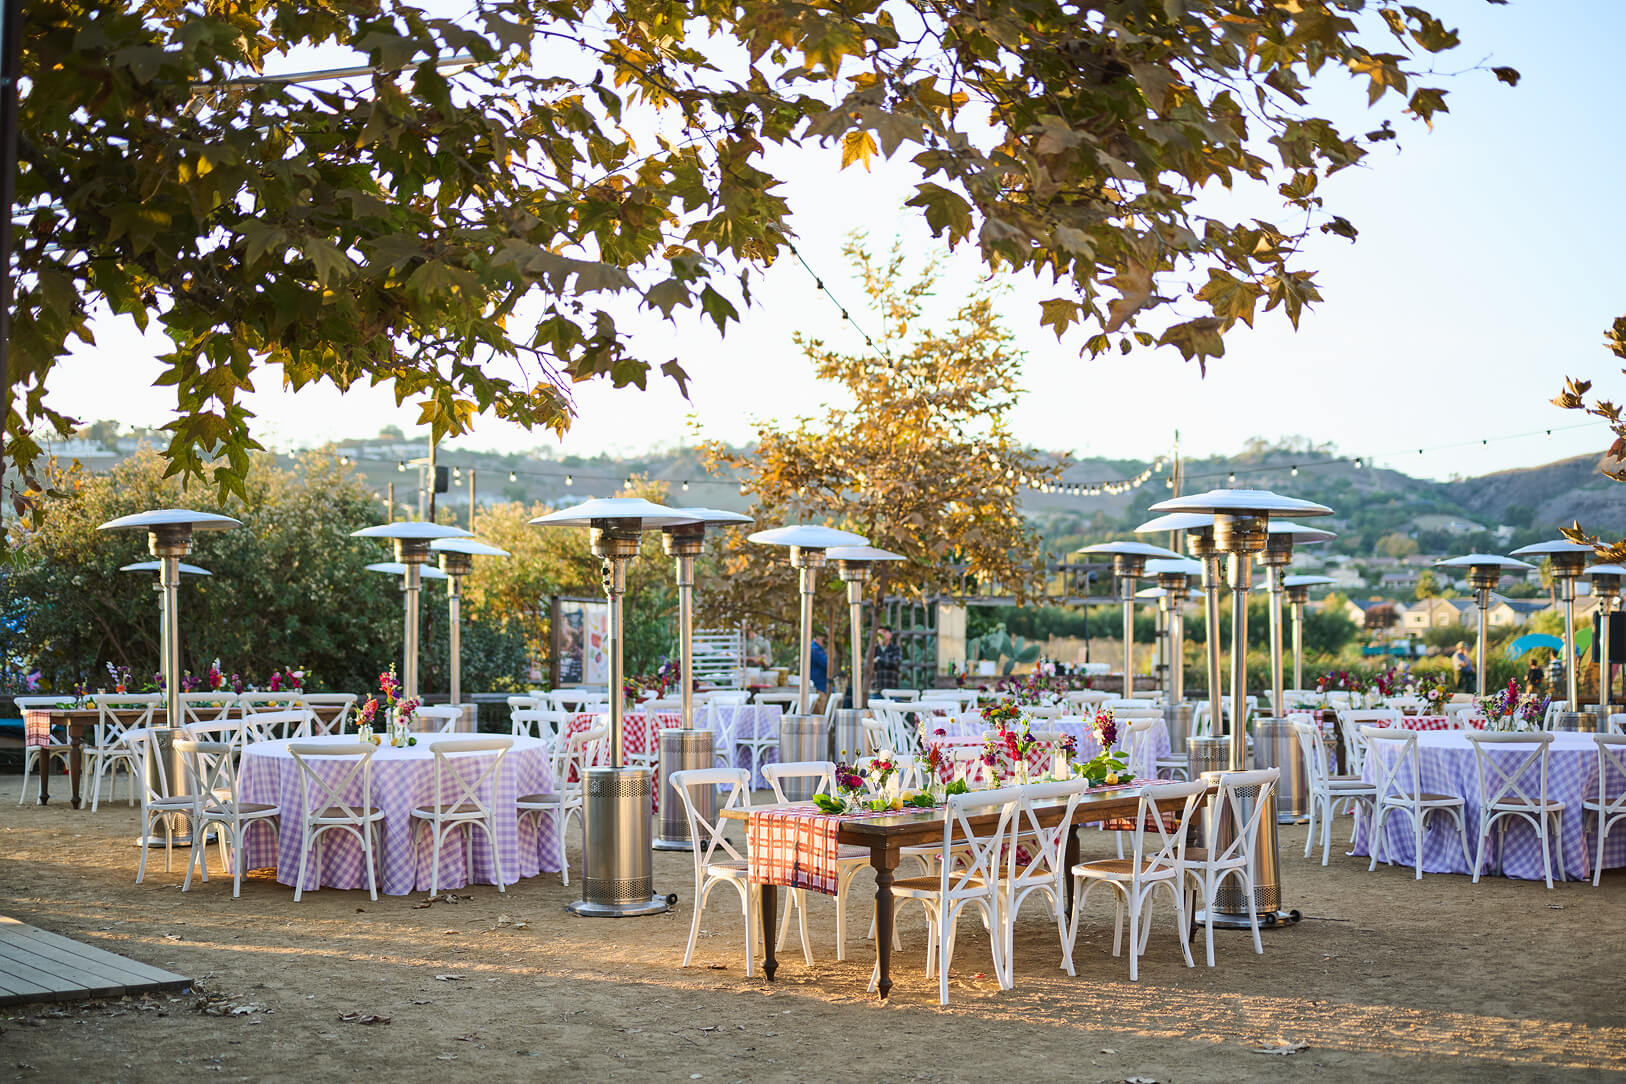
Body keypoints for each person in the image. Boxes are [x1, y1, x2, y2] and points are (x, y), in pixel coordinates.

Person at [872, 624, 902, 693]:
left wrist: (879, 660)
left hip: (892, 689)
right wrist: (886, 662)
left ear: (890, 635)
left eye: (884, 632)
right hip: (875, 689)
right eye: (879, 633)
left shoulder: (895, 649)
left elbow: (896, 663)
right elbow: (867, 665)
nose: (882, 634)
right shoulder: (873, 650)